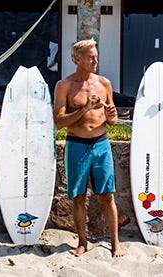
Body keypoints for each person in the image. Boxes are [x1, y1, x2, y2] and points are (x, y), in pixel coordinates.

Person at [53, 39, 125, 258]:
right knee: (78, 197)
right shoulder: (64, 85)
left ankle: (115, 244)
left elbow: (112, 119)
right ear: (77, 59)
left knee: (107, 196)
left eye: (96, 56)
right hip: (77, 145)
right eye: (90, 57)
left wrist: (113, 117)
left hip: (100, 144)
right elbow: (59, 121)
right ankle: (82, 243)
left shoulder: (104, 83)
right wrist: (85, 108)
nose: (96, 60)